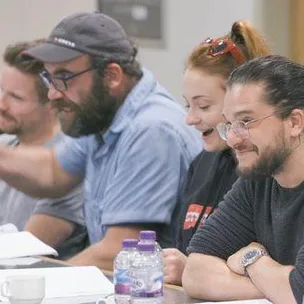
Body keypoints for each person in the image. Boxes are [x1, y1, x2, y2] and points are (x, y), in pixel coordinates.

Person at [0, 12, 202, 270]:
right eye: (49, 78)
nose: (52, 94)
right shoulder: (100, 115)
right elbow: (51, 172)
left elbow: (119, 249)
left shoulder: (151, 130)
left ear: (111, 76)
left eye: (63, 78)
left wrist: (44, 286)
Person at [182, 55, 304, 303]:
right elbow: (196, 271)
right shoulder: (259, 178)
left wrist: (252, 260)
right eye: (230, 124)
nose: (232, 138)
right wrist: (276, 285)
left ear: (295, 122)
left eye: (245, 121)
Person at [163, 21, 271, 286]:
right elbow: (182, 247)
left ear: (239, 101)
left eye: (203, 105)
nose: (189, 119)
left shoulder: (265, 172)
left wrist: (191, 272)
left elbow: (273, 268)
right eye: (188, 105)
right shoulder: (201, 163)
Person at [0, 40, 86, 259]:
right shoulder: (7, 150)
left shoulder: (68, 164)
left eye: (16, 97)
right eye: (1, 90)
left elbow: (24, 252)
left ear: (51, 102)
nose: (1, 104)